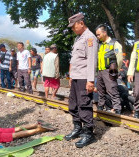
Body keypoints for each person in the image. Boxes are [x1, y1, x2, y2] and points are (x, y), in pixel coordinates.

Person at [65, 13, 98, 148]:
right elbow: (75, 59)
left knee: (84, 104)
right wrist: (71, 76)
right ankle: (77, 128)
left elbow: (91, 60)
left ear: (81, 23)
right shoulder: (78, 39)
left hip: (84, 77)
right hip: (76, 77)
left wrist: (90, 80)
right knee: (73, 104)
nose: (73, 29)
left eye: (74, 26)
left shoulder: (90, 38)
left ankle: (88, 133)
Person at [95, 24, 123, 114]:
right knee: (100, 90)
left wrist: (116, 70)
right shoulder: (99, 45)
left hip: (110, 70)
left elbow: (119, 58)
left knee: (112, 89)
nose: (97, 36)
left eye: (98, 34)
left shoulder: (114, 43)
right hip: (100, 71)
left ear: (104, 32)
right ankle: (100, 106)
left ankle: (117, 109)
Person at [127, 40, 139, 118]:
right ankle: (137, 110)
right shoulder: (137, 43)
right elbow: (133, 58)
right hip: (138, 72)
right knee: (137, 92)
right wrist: (130, 72)